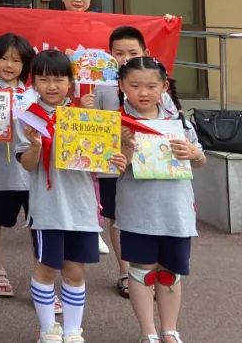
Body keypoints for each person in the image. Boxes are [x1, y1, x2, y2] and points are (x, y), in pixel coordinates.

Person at [18, 49, 126, 343]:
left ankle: (72, 331)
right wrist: (35, 146)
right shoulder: (29, 118)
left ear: (71, 82)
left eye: (59, 79)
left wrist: (115, 159)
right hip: (47, 208)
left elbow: (100, 162)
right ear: (34, 83)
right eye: (44, 80)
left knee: (75, 271)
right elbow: (26, 164)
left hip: (81, 208)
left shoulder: (86, 117)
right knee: (46, 269)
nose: (52, 86)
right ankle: (48, 330)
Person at [114, 57, 205, 343]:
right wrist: (125, 148)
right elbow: (109, 169)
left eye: (151, 86)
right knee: (141, 271)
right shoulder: (117, 122)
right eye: (134, 85)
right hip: (138, 212)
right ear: (121, 85)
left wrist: (194, 153)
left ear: (164, 86)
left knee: (170, 272)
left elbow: (200, 159)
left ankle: (169, 330)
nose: (143, 92)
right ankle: (148, 332)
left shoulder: (178, 121)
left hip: (176, 211)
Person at [80, 25, 148, 298]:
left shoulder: (155, 83)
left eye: (133, 52)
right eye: (118, 53)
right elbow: (90, 130)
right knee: (118, 218)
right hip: (113, 165)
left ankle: (149, 270)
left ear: (145, 53)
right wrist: (86, 111)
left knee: (145, 216)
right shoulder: (100, 87)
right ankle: (125, 273)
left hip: (147, 164)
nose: (125, 58)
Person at [0, 33, 35, 301]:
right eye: (3, 58)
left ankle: (43, 278)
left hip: (36, 174)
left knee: (40, 225)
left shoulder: (35, 94)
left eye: (16, 60)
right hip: (5, 172)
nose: (9, 65)